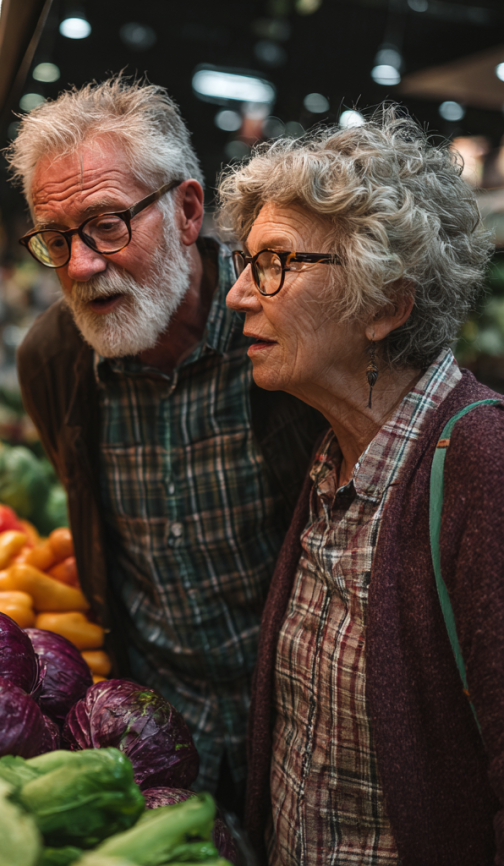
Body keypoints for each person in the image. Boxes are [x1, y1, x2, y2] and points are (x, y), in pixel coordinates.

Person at [6, 76, 325, 808]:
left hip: (305, 740)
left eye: (108, 224)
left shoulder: (285, 335)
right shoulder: (52, 360)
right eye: (56, 240)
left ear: (186, 212)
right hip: (152, 740)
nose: (81, 265)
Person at [219, 107, 504, 865]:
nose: (239, 296)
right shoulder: (329, 456)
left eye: (275, 263)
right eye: (245, 264)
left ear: (386, 304)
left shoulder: (481, 467)